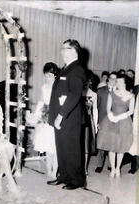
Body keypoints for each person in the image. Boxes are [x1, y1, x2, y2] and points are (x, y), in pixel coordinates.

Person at [47, 39, 86, 190]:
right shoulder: (66, 68)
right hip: (62, 117)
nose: (62, 51)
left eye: (65, 48)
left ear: (73, 51)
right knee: (61, 147)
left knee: (71, 148)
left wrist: (60, 116)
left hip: (69, 118)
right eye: (62, 48)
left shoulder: (77, 69)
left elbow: (74, 95)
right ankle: (63, 176)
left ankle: (77, 180)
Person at [97, 74, 135, 177]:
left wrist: (120, 117)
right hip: (110, 122)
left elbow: (131, 111)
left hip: (123, 122)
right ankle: (112, 168)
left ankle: (118, 168)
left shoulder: (130, 95)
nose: (117, 83)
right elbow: (108, 108)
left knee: (120, 147)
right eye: (117, 81)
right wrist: (110, 115)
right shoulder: (112, 94)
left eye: (120, 81)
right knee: (111, 146)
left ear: (125, 83)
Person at [26, 62, 59, 178]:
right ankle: (49, 171)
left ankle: (55, 172)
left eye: (49, 76)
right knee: (48, 147)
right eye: (46, 76)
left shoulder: (59, 87)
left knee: (55, 148)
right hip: (46, 119)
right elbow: (41, 101)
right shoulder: (44, 87)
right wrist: (37, 114)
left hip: (56, 118)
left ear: (55, 75)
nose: (47, 78)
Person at [95, 71, 117, 173]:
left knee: (112, 142)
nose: (113, 80)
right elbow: (97, 108)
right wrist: (97, 122)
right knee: (101, 143)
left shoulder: (118, 91)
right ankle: (100, 164)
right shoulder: (100, 91)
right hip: (103, 121)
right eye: (111, 78)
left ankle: (110, 164)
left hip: (114, 122)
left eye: (115, 79)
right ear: (108, 79)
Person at [82, 73, 98, 175]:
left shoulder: (94, 95)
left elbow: (95, 110)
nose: (88, 83)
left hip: (87, 121)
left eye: (89, 81)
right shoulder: (77, 92)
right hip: (77, 121)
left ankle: (84, 169)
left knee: (86, 147)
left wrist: (95, 125)